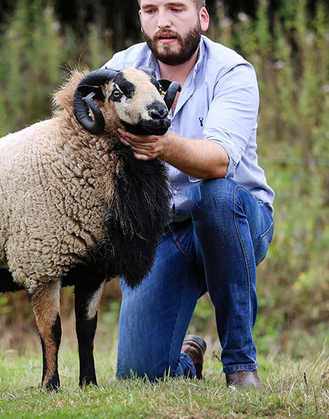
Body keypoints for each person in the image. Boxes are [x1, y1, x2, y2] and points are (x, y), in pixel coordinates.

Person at [104, 0, 275, 388]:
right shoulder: (121, 68)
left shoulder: (232, 72)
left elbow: (217, 162)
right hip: (164, 230)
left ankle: (240, 366)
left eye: (175, 8)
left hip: (238, 219)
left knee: (215, 196)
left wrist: (162, 144)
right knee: (138, 379)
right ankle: (186, 360)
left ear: (202, 17)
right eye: (150, 10)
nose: (162, 22)